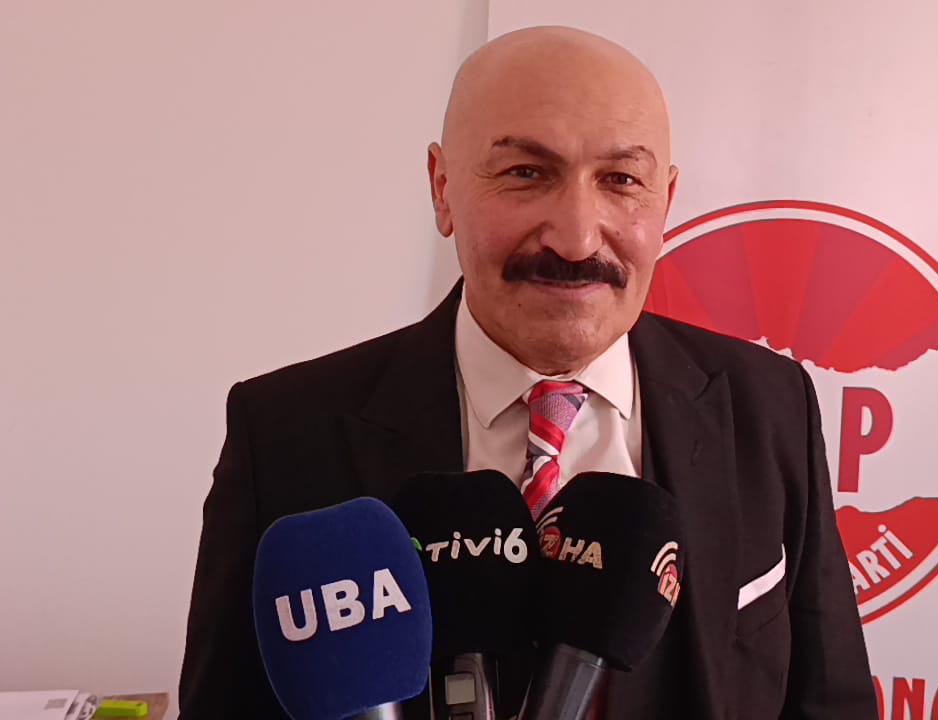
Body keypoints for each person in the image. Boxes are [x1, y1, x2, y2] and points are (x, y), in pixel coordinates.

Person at [179, 26, 878, 720]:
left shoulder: (770, 405)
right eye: (525, 173)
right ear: (443, 189)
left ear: (665, 202)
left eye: (621, 180)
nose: (576, 237)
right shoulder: (285, 433)